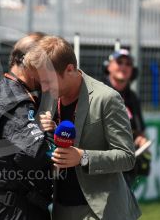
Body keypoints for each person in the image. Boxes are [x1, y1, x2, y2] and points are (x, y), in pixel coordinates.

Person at [27, 36, 141, 220]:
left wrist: (83, 157)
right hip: (60, 207)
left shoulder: (107, 98)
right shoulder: (49, 94)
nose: (44, 87)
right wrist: (45, 131)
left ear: (70, 69)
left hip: (100, 210)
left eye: (48, 81)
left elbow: (127, 157)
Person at [0, 33, 54, 220]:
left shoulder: (6, 88)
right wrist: (53, 134)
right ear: (30, 62)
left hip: (9, 204)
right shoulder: (15, 99)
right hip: (15, 209)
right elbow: (36, 153)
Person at [104, 49, 151, 187]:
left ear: (133, 70)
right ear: (108, 66)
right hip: (101, 161)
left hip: (126, 163)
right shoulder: (98, 91)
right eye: (119, 62)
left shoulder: (132, 97)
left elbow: (139, 130)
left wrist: (141, 140)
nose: (124, 67)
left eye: (128, 63)